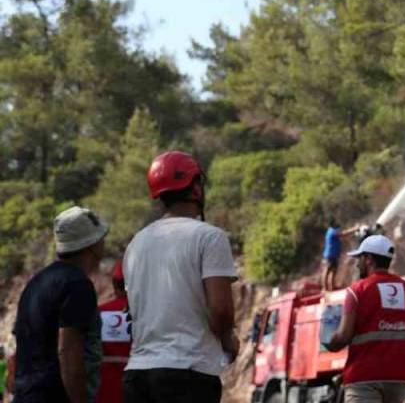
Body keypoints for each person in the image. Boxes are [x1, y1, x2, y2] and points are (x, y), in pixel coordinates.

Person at [123, 151, 239, 403]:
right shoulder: (210, 237)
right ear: (195, 188)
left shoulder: (136, 243)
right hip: (188, 374)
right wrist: (229, 339)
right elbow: (220, 311)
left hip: (137, 374)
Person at [12, 206, 109, 403]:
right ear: (92, 243)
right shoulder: (77, 284)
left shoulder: (37, 282)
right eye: (101, 236)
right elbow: (68, 351)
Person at [324, 234, 405, 403]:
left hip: (364, 379)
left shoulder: (357, 291)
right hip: (398, 379)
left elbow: (343, 336)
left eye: (359, 258)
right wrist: (400, 341)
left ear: (369, 259)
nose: (357, 263)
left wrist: (329, 342)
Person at [96, 261, 130, 403]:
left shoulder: (97, 313)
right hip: (135, 389)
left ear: (115, 284)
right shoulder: (145, 314)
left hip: (103, 389)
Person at [321, 218, 359, 291]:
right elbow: (343, 234)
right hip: (330, 255)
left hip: (334, 255)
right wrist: (354, 229)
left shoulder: (333, 231)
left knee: (333, 271)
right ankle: (325, 289)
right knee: (327, 271)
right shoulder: (332, 231)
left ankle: (331, 288)